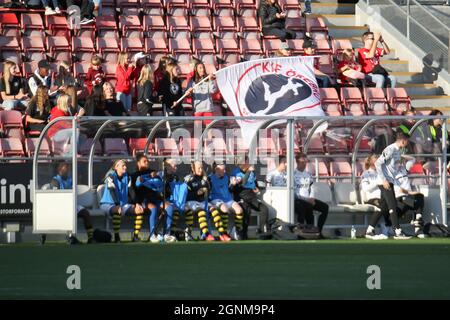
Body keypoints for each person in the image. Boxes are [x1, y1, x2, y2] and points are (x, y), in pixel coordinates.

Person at [130, 154, 177, 243]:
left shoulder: (153, 172)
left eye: (147, 161)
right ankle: (152, 234)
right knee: (153, 208)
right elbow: (133, 190)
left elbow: (161, 181)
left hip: (156, 198)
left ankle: (166, 233)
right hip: (144, 200)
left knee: (169, 207)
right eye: (144, 161)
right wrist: (136, 203)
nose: (147, 163)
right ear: (138, 163)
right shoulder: (134, 175)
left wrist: (156, 176)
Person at [375, 131, 412, 239]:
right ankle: (397, 231)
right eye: (407, 141)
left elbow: (393, 167)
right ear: (403, 140)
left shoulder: (398, 151)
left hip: (390, 181)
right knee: (392, 205)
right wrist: (384, 180)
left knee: (383, 207)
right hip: (384, 182)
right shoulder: (390, 149)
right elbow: (378, 163)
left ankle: (370, 229)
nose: (407, 144)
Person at [100, 159, 145, 243]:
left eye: (125, 165)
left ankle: (135, 236)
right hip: (108, 204)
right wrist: (117, 205)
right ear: (116, 167)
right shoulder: (111, 176)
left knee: (139, 210)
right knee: (118, 210)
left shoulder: (127, 176)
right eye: (123, 165)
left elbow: (131, 191)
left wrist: (137, 203)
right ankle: (117, 237)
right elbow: (112, 191)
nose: (125, 167)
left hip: (122, 204)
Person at [185, 161, 231, 241]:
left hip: (202, 201)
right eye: (198, 168)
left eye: (201, 168)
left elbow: (209, 190)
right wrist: (197, 193)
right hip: (191, 201)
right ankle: (206, 234)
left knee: (214, 211)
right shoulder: (188, 179)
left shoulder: (205, 178)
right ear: (193, 168)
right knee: (201, 212)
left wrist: (206, 189)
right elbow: (186, 195)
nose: (200, 170)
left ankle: (222, 234)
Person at [50, 162, 94, 244]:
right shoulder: (55, 180)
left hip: (72, 204)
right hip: (61, 206)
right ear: (60, 169)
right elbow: (55, 197)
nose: (68, 170)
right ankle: (70, 237)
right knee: (69, 214)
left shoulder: (70, 179)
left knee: (85, 213)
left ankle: (91, 238)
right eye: (66, 168)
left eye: (68, 168)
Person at [293, 154, 328, 237]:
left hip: (309, 199)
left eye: (306, 161)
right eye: (303, 161)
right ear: (297, 162)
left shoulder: (308, 174)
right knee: (305, 207)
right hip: (298, 200)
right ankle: (302, 232)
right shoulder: (293, 174)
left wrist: (311, 197)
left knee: (325, 207)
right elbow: (294, 191)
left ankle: (318, 231)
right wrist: (305, 199)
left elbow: (311, 187)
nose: (305, 163)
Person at [232, 162, 269, 238]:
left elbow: (254, 183)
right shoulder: (237, 172)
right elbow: (243, 183)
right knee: (246, 211)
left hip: (251, 196)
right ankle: (242, 233)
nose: (249, 164)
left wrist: (257, 188)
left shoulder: (252, 172)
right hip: (241, 195)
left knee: (264, 209)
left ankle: (261, 231)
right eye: (247, 162)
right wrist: (248, 172)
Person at [209, 164, 244, 240]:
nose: (225, 171)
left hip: (228, 199)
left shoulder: (226, 177)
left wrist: (233, 185)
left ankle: (236, 231)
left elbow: (230, 189)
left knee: (239, 210)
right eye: (223, 170)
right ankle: (224, 233)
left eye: (225, 169)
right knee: (224, 209)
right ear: (217, 170)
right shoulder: (210, 178)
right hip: (216, 199)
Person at [393, 158, 426, 238]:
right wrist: (410, 192)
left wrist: (401, 155)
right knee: (416, 200)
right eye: (397, 162)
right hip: (399, 197)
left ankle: (418, 221)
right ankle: (417, 224)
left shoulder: (404, 171)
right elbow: (399, 190)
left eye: (400, 162)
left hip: (408, 196)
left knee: (420, 196)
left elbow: (413, 159)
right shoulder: (391, 175)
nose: (399, 164)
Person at [361, 154, 390, 240]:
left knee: (391, 203)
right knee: (383, 203)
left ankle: (387, 227)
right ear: (370, 162)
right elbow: (365, 188)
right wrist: (377, 182)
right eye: (375, 160)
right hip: (371, 198)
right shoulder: (366, 173)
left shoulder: (382, 173)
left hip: (383, 198)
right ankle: (370, 229)